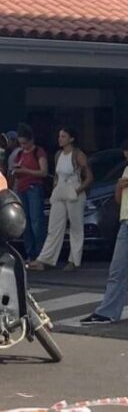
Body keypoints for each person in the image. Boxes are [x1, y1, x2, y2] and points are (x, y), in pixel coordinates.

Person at [29, 127, 93, 272]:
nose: (60, 139)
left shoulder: (78, 154)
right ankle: (45, 259)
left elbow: (89, 177)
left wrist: (77, 191)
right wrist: (54, 190)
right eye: (59, 136)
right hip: (60, 190)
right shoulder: (58, 154)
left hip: (74, 189)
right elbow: (57, 176)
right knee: (54, 226)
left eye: (63, 136)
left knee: (76, 227)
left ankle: (74, 260)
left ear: (71, 139)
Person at [81, 140, 128, 324]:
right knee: (117, 269)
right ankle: (107, 311)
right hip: (125, 222)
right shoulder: (125, 170)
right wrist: (119, 186)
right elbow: (118, 200)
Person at [12, 124, 48, 261]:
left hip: (34, 187)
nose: (23, 146)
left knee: (36, 222)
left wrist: (26, 171)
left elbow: (43, 172)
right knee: (25, 222)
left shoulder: (38, 152)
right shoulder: (20, 154)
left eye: (25, 143)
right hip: (22, 188)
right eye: (21, 143)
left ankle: (40, 252)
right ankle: (30, 253)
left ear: (31, 140)